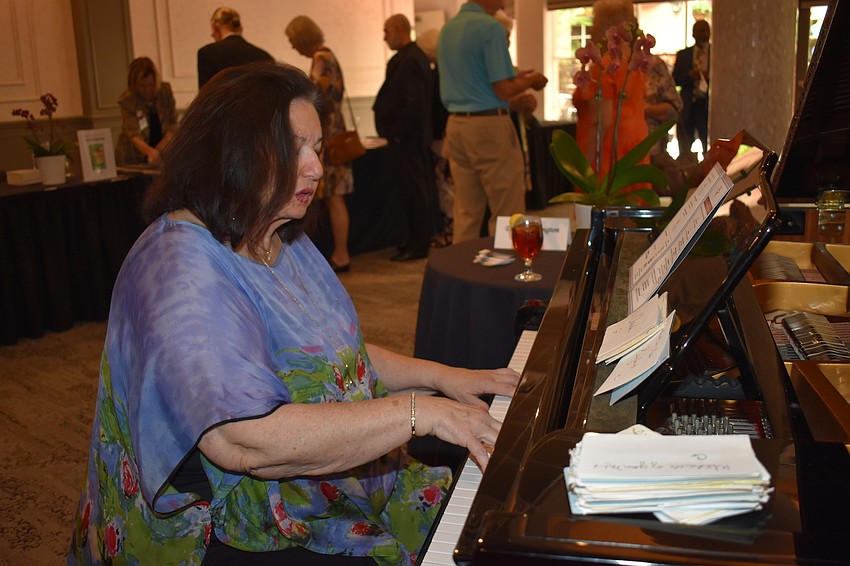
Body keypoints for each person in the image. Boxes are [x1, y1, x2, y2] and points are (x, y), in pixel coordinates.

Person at [68, 62, 519, 565]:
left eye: (318, 150)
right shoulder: (180, 266)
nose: (316, 168)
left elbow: (330, 358)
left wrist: (445, 377)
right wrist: (420, 411)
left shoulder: (277, 232)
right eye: (295, 149)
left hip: (316, 485)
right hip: (226, 523)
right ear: (235, 150)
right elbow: (244, 441)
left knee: (489, 522)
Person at [437, 0, 547, 243]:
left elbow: (472, 77)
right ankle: (504, 273)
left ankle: (462, 272)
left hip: (456, 125)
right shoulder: (491, 28)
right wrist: (532, 81)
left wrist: (514, 76)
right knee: (507, 208)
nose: (505, 2)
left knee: (466, 210)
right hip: (488, 126)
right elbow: (503, 89)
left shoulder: (448, 29)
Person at [286, 15, 353, 272]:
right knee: (335, 197)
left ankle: (341, 254)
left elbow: (318, 100)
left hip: (331, 138)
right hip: (335, 132)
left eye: (293, 41)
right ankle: (340, 253)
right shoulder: (327, 56)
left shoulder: (321, 58)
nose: (292, 47)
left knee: (335, 197)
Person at [373, 14, 434, 261]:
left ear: (399, 29)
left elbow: (413, 102)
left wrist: (399, 132)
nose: (385, 37)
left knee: (414, 192)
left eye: (387, 31)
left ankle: (418, 244)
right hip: (405, 139)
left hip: (408, 140)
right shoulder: (408, 57)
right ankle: (411, 240)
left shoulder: (410, 59)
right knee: (408, 192)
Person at [571, 0, 649, 183]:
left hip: (611, 149)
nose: (591, 30)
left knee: (606, 206)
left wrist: (583, 166)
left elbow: (601, 121)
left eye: (594, 23)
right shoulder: (634, 61)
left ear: (608, 27)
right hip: (636, 143)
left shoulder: (606, 66)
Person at [116, 56, 177, 166]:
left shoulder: (164, 91)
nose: (148, 90)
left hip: (162, 151)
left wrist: (161, 147)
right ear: (134, 85)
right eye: (143, 86)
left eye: (151, 85)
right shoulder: (128, 100)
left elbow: (173, 123)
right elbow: (134, 135)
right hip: (135, 157)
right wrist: (151, 152)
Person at [197, 6, 274, 89]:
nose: (211, 35)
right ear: (240, 27)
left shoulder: (207, 53)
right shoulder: (264, 56)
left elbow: (205, 94)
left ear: (215, 26)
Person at [644, 54, 684, 195]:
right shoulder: (603, 65)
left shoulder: (652, 65)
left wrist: (643, 108)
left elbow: (675, 109)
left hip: (651, 154)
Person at [673, 20, 711, 163]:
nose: (705, 34)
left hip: (706, 106)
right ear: (693, 34)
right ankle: (688, 174)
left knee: (708, 146)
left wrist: (709, 76)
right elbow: (675, 80)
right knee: (685, 146)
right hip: (688, 106)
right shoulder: (684, 55)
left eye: (707, 30)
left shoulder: (716, 54)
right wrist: (690, 75)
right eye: (701, 31)